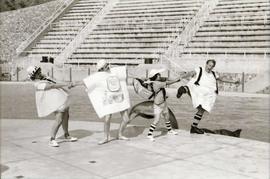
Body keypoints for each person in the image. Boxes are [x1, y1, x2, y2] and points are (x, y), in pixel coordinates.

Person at [73, 60, 130, 145]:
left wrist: (138, 78)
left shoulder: (114, 71)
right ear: (102, 68)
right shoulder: (98, 76)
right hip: (109, 100)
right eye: (106, 66)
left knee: (126, 119)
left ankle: (120, 134)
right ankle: (105, 137)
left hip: (119, 98)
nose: (108, 67)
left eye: (108, 65)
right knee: (107, 119)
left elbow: (126, 73)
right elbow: (86, 82)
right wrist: (74, 84)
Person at [176, 59, 240, 134]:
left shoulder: (213, 74)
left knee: (202, 110)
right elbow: (190, 73)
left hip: (205, 94)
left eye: (212, 66)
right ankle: (184, 89)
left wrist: (233, 81)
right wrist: (181, 77)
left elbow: (222, 79)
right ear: (206, 64)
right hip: (197, 89)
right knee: (192, 88)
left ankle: (193, 127)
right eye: (209, 65)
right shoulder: (199, 69)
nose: (210, 67)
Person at [27, 66, 77, 147]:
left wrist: (67, 85)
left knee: (66, 116)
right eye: (37, 73)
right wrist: (67, 84)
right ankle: (52, 139)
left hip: (60, 97)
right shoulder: (37, 84)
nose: (39, 73)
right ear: (33, 76)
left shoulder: (45, 77)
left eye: (39, 71)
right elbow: (52, 86)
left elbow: (56, 82)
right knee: (59, 119)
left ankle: (67, 135)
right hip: (53, 101)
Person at [145, 68, 181, 141]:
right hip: (158, 105)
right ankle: (149, 134)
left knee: (166, 117)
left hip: (163, 103)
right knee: (156, 120)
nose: (160, 75)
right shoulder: (157, 83)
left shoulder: (154, 82)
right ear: (155, 76)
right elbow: (168, 83)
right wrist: (177, 79)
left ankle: (170, 130)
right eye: (158, 74)